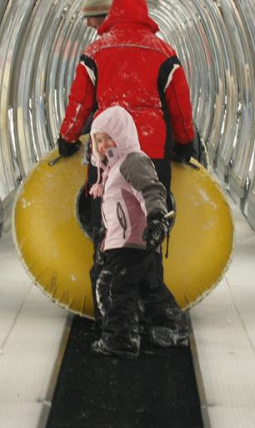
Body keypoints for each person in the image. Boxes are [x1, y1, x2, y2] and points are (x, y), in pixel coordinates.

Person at [56, 0, 196, 326]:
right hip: (151, 151)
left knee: (108, 232)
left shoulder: (96, 50)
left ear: (113, 14)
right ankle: (157, 319)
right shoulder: (164, 52)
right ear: (145, 14)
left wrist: (67, 138)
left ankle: (114, 320)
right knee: (149, 229)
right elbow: (179, 105)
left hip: (108, 154)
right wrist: (185, 142)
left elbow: (80, 102)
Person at [88, 106, 188, 359]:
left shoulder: (133, 160)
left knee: (113, 288)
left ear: (122, 136)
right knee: (149, 287)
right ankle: (171, 328)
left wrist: (156, 218)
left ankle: (121, 339)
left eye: (108, 138)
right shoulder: (113, 167)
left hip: (132, 241)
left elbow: (150, 190)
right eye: (98, 140)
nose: (102, 145)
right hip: (128, 241)